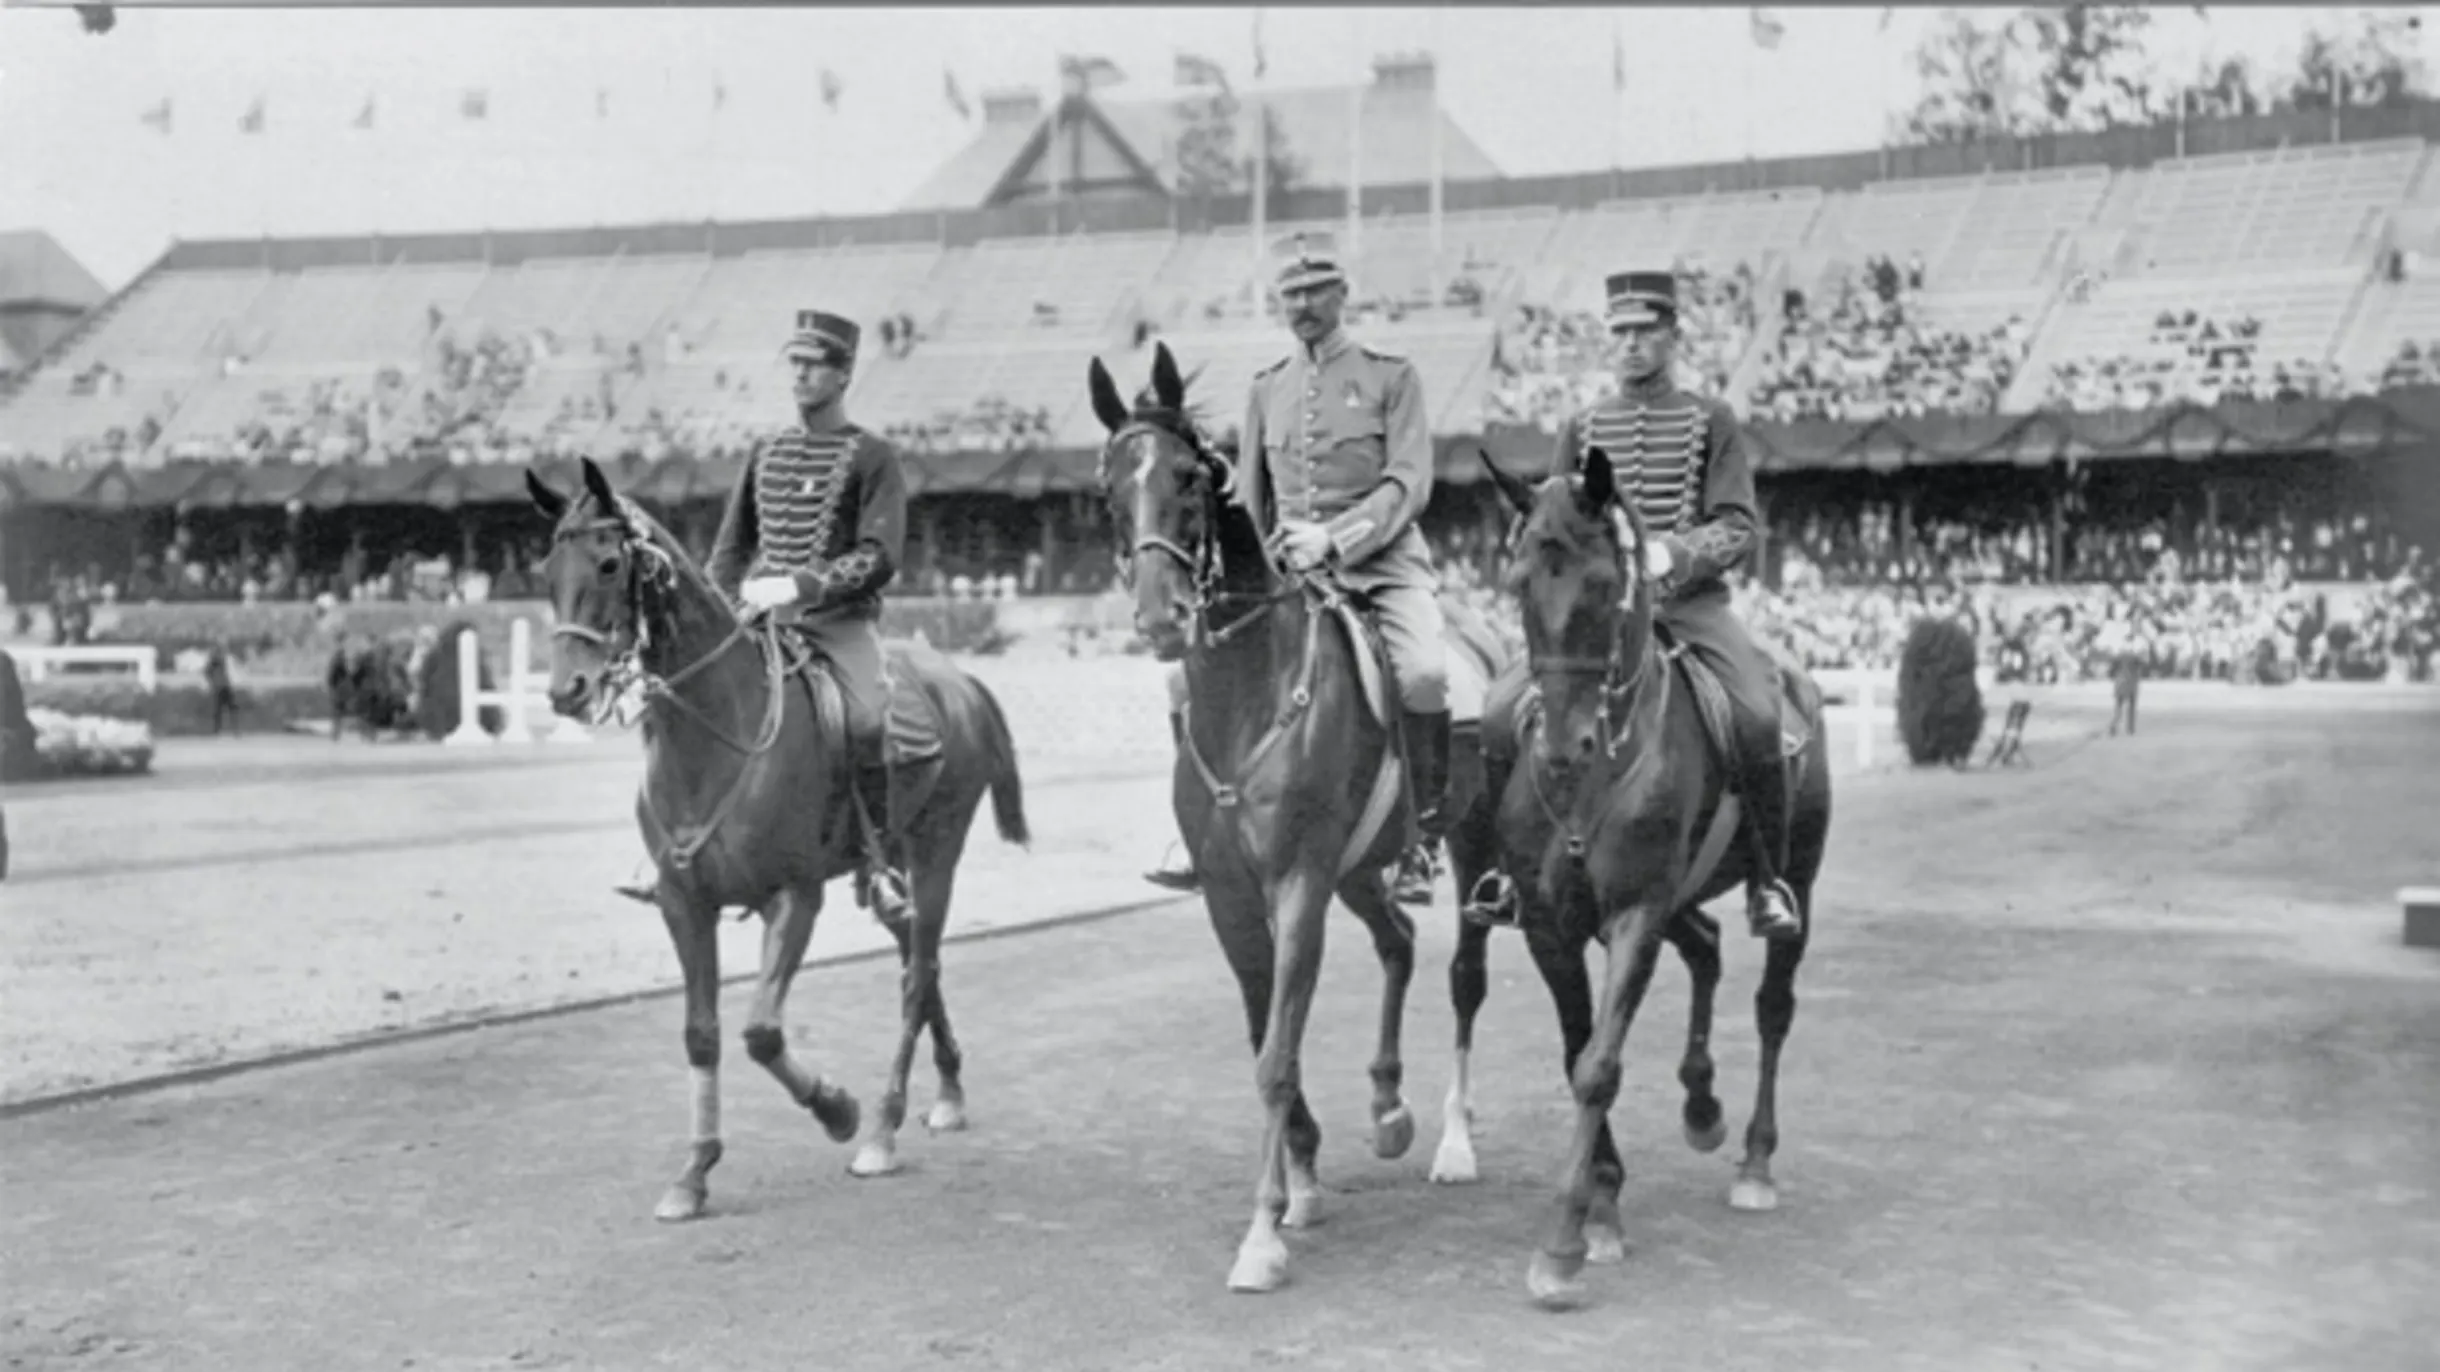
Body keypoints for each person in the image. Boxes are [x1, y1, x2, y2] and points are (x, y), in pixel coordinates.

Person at [1142, 231, 1450, 896]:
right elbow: (1253, 500)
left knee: (1423, 673)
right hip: (1290, 579)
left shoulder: (1390, 377)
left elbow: (1408, 482)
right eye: (1291, 292)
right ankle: (1203, 831)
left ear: (1343, 292)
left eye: (1316, 290)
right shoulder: (1267, 389)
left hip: (1383, 569)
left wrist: (1336, 539)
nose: (1304, 303)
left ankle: (1421, 839)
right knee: (1182, 681)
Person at [615, 309, 911, 920]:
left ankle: (878, 863)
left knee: (865, 718)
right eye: (795, 364)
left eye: (813, 365)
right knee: (675, 701)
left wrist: (802, 585)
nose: (799, 375)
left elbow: (881, 556)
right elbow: (727, 553)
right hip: (759, 625)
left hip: (837, 623)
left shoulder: (872, 456)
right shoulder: (766, 452)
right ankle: (669, 850)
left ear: (843, 373)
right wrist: (721, 615)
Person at [1552, 269, 1802, 942]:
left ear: (1673, 336)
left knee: (1755, 714)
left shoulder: (1709, 419)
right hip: (1600, 619)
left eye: (1644, 331)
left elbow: (1738, 524)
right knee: (1503, 711)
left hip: (1690, 609)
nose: (1631, 345)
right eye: (1620, 332)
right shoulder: (1582, 425)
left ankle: (1768, 880)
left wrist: (1675, 555)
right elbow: (1559, 523)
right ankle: (1513, 869)